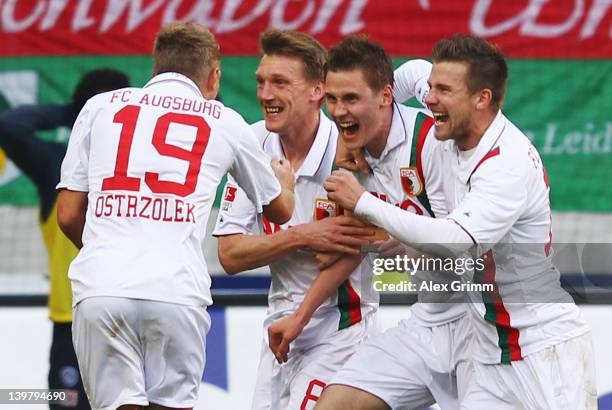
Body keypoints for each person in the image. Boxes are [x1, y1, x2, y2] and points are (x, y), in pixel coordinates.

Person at [319, 34, 596, 410]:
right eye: (430, 88)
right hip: (483, 348)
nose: (429, 98)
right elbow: (407, 75)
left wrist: (364, 202)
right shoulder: (452, 122)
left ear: (481, 99)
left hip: (541, 350)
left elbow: (456, 241)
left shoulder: (506, 165)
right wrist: (347, 137)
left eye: (443, 90)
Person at [56, 22, 295, 410]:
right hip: (176, 291)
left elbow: (67, 215)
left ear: (156, 67)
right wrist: (285, 182)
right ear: (214, 76)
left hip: (102, 286)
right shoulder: (225, 121)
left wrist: (111, 246)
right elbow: (280, 210)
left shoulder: (100, 107)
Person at [291, 35, 470, 410]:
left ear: (386, 97)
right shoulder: (354, 159)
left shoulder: (433, 145)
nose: (339, 111)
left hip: (482, 324)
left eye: (351, 99)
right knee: (334, 404)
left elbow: (467, 255)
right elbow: (414, 71)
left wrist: (397, 237)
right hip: (429, 322)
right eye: (333, 100)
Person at [213, 29, 383, 409]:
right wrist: (305, 235)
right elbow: (230, 254)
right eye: (261, 82)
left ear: (317, 90)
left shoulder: (348, 151)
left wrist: (300, 316)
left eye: (280, 83)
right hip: (279, 331)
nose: (266, 95)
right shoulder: (252, 145)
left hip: (342, 331)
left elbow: (347, 251)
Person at [0, 68, 129, 409]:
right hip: (70, 323)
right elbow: (8, 126)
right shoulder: (56, 163)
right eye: (94, 111)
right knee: (67, 404)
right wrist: (74, 112)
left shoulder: (142, 167)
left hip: (129, 315)